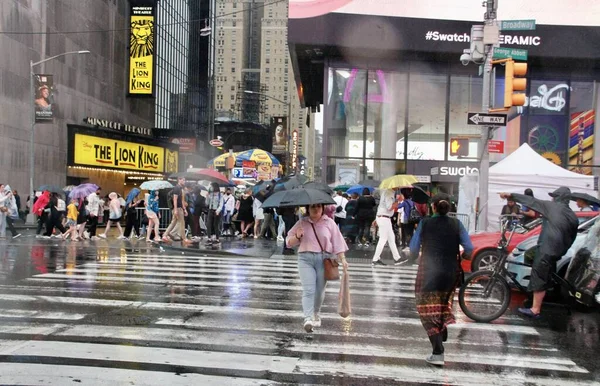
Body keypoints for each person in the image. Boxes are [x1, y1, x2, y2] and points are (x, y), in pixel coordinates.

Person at [409, 193, 474, 366]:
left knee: (427, 310)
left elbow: (414, 248)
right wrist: (464, 256)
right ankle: (442, 327)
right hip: (451, 271)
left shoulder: (425, 223)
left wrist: (410, 257)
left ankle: (438, 352)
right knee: (444, 304)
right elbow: (469, 247)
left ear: (433, 207)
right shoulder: (456, 223)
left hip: (429, 271)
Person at [499, 187, 579, 319]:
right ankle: (538, 292)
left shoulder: (551, 206)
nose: (552, 198)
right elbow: (572, 237)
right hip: (557, 250)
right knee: (532, 258)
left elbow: (530, 201)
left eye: (554, 196)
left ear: (557, 197)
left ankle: (535, 309)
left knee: (539, 272)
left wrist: (510, 195)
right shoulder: (572, 216)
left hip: (547, 248)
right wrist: (563, 250)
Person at [286, 203, 349, 332]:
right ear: (308, 209)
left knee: (319, 291)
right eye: (313, 207)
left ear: (322, 208)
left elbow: (338, 241)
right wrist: (297, 236)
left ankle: (316, 313)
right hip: (305, 259)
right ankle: (307, 318)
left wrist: (342, 259)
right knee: (309, 290)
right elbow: (288, 243)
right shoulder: (301, 223)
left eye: (318, 207)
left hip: (323, 259)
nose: (316, 209)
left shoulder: (329, 222)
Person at [371, 189, 404, 266]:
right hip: (384, 218)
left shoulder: (387, 192)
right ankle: (375, 259)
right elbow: (389, 207)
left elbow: (382, 206)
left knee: (391, 238)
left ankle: (397, 258)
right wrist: (398, 201)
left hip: (384, 218)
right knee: (383, 239)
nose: (398, 187)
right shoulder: (389, 193)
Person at [163, 177, 191, 245]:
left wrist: (184, 209)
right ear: (179, 180)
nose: (184, 181)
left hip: (179, 208)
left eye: (185, 180)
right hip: (178, 208)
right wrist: (175, 209)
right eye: (183, 180)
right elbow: (174, 199)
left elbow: (181, 200)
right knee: (182, 223)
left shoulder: (180, 188)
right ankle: (184, 238)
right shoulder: (177, 188)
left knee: (173, 223)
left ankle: (165, 235)